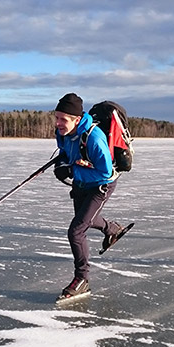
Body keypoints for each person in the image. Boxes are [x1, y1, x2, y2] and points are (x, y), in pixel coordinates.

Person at [52, 93, 128, 300]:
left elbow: (106, 172)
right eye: (56, 117)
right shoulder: (64, 132)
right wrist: (62, 164)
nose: (58, 123)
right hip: (82, 183)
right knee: (86, 220)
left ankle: (82, 280)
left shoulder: (94, 139)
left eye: (63, 119)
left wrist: (71, 171)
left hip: (101, 185)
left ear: (77, 119)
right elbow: (65, 152)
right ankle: (113, 230)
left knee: (76, 230)